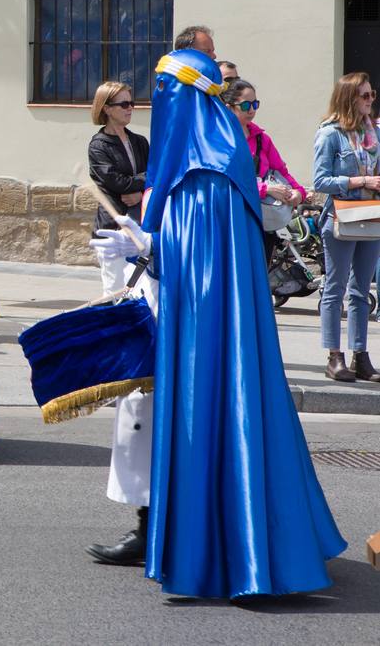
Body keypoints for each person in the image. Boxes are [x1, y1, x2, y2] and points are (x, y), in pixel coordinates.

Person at [91, 49, 345, 599]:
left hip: (205, 333)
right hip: (208, 323)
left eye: (163, 93)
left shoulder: (203, 170)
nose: (156, 105)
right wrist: (152, 244)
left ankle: (228, 555)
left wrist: (156, 247)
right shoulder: (215, 156)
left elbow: (201, 269)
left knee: (208, 419)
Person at [312, 72, 380, 383]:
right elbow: (321, 180)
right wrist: (361, 180)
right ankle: (334, 356)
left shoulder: (373, 134)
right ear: (349, 99)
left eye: (371, 95)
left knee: (361, 290)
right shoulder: (330, 134)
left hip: (371, 215)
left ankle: (360, 355)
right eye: (364, 96)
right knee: (335, 288)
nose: (370, 101)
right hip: (340, 217)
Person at [223, 79, 306, 255]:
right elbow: (227, 181)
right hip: (233, 220)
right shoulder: (221, 140)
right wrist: (265, 189)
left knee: (262, 274)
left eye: (255, 104)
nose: (252, 110)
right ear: (229, 107)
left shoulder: (262, 138)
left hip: (263, 221)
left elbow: (281, 171)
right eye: (246, 105)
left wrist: (298, 192)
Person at [87, 81, 149, 295]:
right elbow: (117, 183)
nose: (130, 108)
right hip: (112, 229)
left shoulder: (139, 141)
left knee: (140, 290)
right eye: (123, 104)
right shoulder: (98, 146)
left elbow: (156, 175)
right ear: (106, 108)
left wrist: (140, 192)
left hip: (139, 226)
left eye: (131, 103)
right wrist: (143, 180)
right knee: (114, 292)